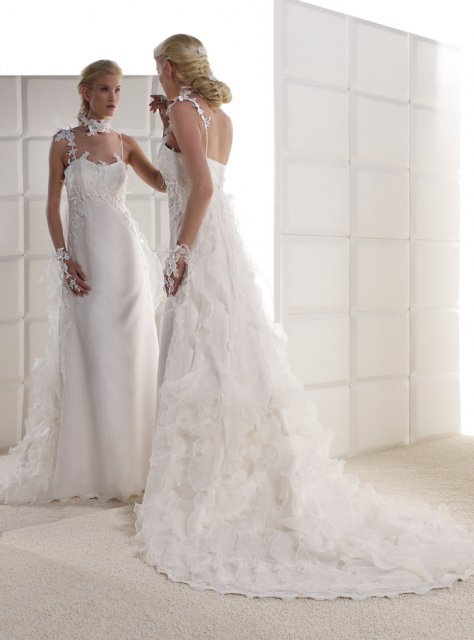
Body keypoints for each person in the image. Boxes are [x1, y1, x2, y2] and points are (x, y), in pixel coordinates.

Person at [131, 34, 474, 601]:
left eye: (157, 70)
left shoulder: (187, 111)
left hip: (202, 245)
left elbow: (201, 188)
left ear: (168, 67)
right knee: (223, 357)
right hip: (222, 248)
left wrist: (180, 253)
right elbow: (184, 178)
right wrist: (166, 124)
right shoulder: (216, 115)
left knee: (203, 354)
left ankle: (207, 486)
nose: (158, 78)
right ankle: (227, 471)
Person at [0, 60, 165, 503]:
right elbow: (52, 205)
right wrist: (63, 256)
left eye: (118, 90)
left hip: (126, 263)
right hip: (86, 264)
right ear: (86, 92)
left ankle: (137, 464)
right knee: (93, 356)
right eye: (105, 89)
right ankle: (96, 466)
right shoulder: (64, 143)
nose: (113, 98)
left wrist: (171, 127)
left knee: (131, 354)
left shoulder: (126, 143)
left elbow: (164, 183)